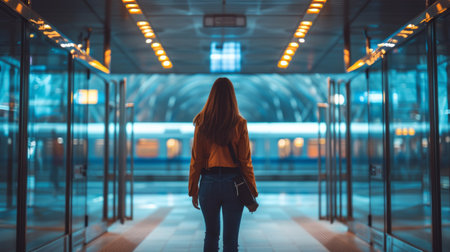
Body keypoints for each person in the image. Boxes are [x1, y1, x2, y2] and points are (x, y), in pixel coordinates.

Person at [189, 77, 258, 252]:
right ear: (232, 97)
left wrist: (193, 190)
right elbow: (245, 161)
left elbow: (196, 160)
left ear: (212, 96)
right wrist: (252, 189)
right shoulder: (240, 123)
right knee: (231, 239)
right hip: (234, 185)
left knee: (211, 235)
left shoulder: (201, 122)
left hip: (208, 183)